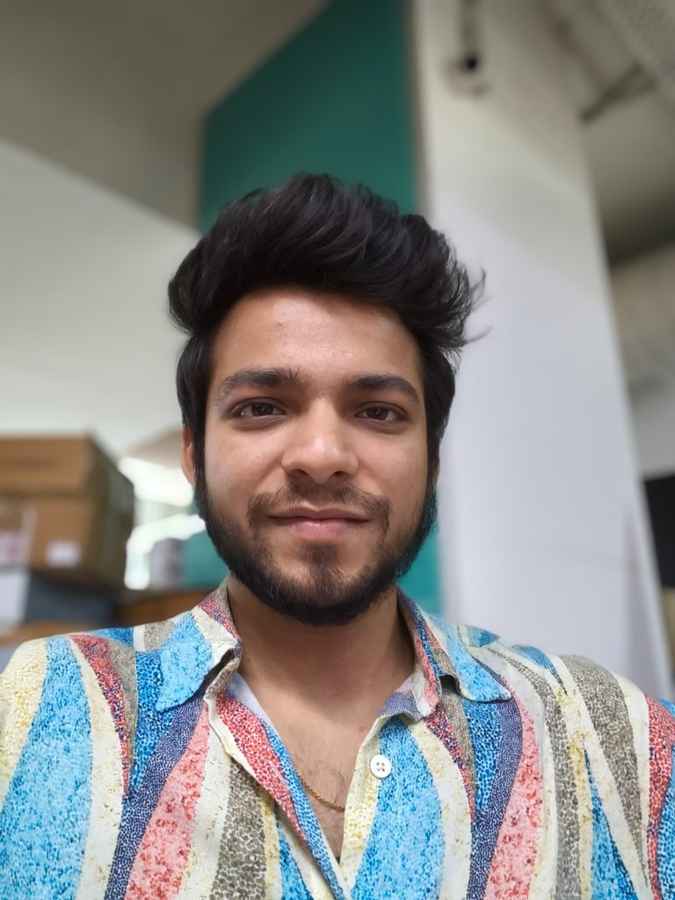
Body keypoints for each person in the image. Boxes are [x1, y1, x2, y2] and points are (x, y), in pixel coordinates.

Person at [0, 174, 673, 900]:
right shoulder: (32, 715)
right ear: (195, 455)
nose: (321, 455)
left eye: (378, 412)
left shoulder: (609, 736)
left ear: (432, 460)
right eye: (262, 407)